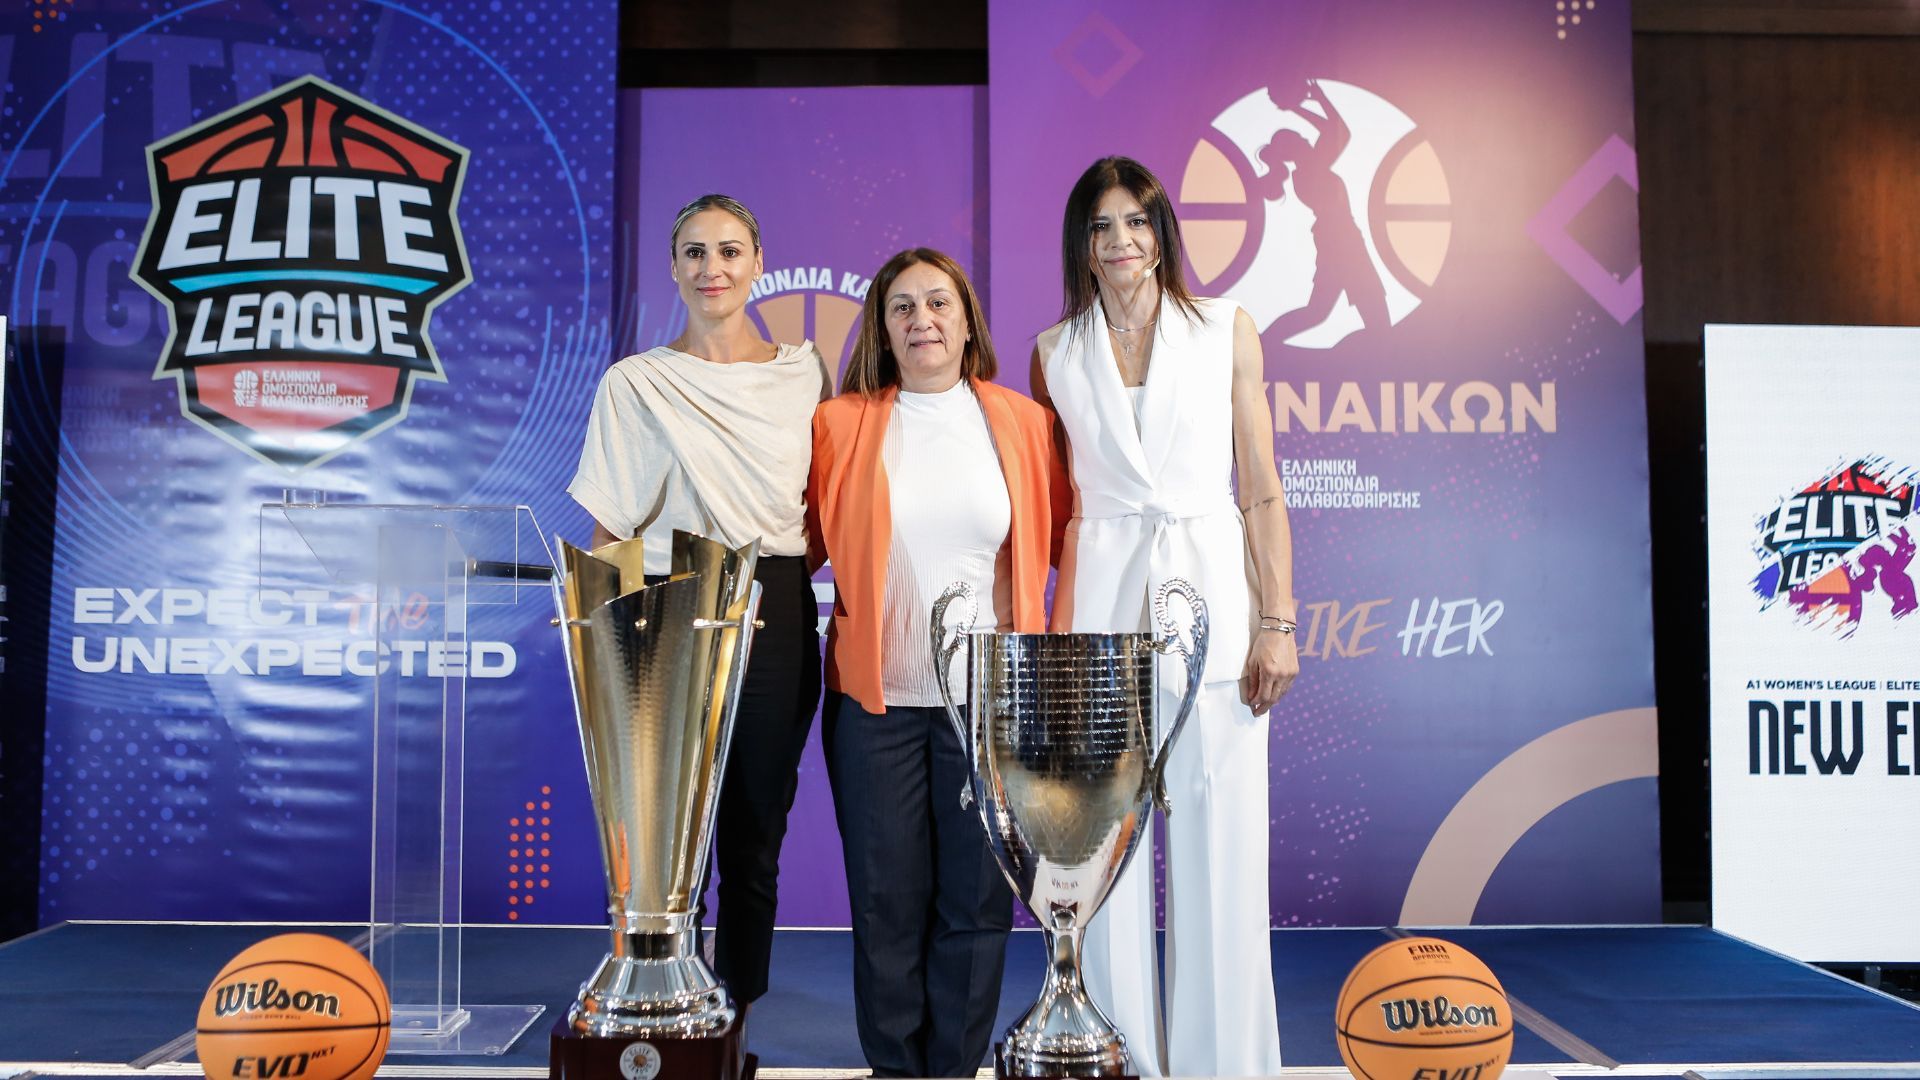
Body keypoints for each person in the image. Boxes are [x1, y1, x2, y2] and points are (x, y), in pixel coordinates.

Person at [1029, 156, 1299, 1077]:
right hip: (1097, 616)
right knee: (1099, 857)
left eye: (1137, 222)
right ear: (1081, 244)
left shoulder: (1226, 329)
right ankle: (1115, 1055)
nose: (1121, 242)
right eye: (1101, 226)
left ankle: (1226, 1064)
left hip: (1215, 612)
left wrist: (1277, 621)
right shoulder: (1053, 351)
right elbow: (1053, 501)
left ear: (1162, 233)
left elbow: (1259, 488)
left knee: (1222, 849)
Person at [807, 248, 1068, 1077]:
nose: (922, 319)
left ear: (966, 321)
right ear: (882, 329)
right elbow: (793, 542)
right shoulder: (839, 425)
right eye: (902, 307)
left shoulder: (1023, 424)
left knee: (978, 903)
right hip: (874, 705)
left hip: (987, 703)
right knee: (886, 903)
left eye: (938, 303)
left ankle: (953, 1070)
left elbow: (1068, 542)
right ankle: (894, 1070)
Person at [567, 193, 831, 1015]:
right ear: (673, 268)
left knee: (755, 831)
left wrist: (773, 581)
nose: (712, 268)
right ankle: (658, 998)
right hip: (661, 607)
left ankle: (731, 1016)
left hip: (772, 602)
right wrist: (606, 639)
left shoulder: (804, 373)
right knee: (663, 837)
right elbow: (609, 528)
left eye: (729, 251)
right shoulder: (635, 383)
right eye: (694, 252)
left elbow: (819, 514)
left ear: (757, 263)